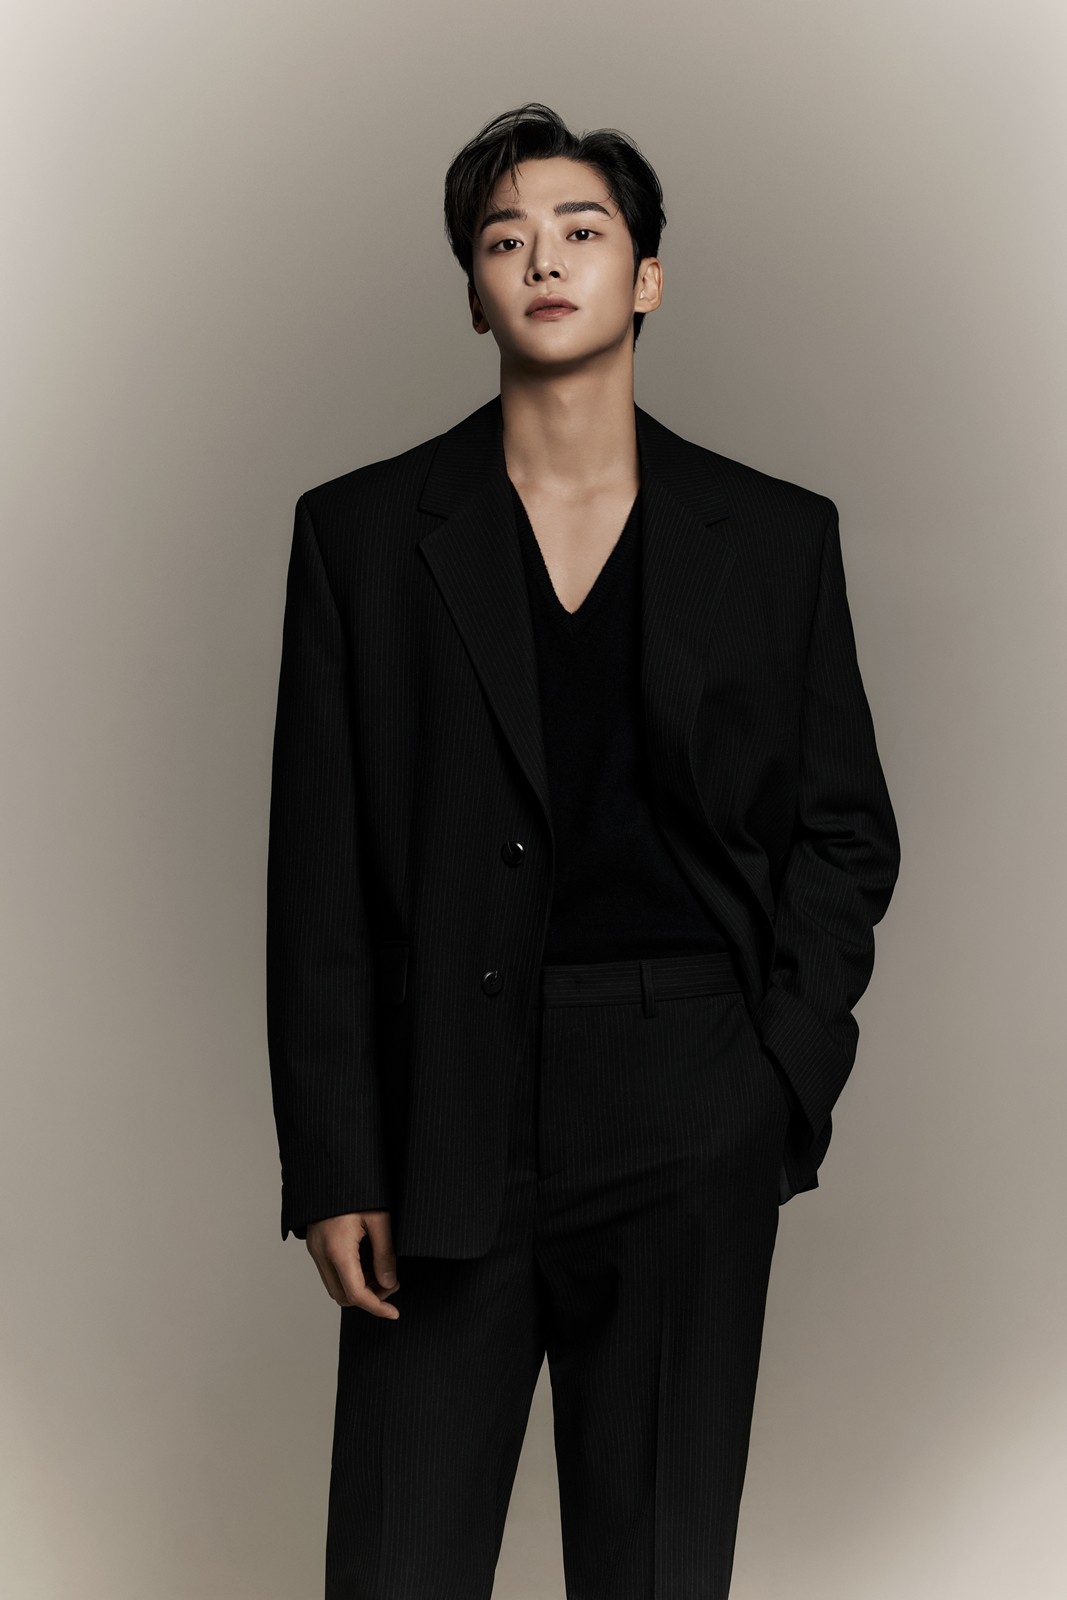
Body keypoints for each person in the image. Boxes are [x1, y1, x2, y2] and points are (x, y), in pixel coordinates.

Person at [266, 101, 900, 1600]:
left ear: (646, 276)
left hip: (687, 1095)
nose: (542, 261)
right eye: (505, 240)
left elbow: (844, 828)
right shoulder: (362, 536)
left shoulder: (773, 535)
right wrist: (335, 1160)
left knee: (659, 1569)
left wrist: (774, 1077)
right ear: (473, 293)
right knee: (398, 1565)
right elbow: (318, 876)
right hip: (445, 1111)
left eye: (581, 230)